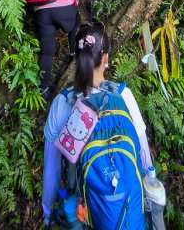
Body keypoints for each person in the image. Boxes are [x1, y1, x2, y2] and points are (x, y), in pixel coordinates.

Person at [42, 22, 153, 228]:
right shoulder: (124, 97)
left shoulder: (62, 104)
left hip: (85, 212)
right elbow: (144, 159)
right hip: (129, 211)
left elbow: (51, 172)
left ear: (77, 58)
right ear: (106, 58)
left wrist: (48, 215)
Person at [34, 0, 98, 99]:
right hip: (63, 9)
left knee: (47, 53)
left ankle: (43, 89)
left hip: (40, 10)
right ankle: (73, 50)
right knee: (76, 21)